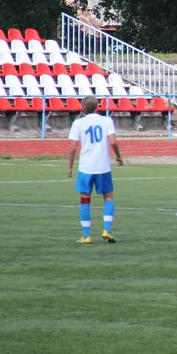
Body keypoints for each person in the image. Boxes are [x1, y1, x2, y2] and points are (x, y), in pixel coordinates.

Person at [68, 96, 123, 244]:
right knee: (108, 197)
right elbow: (113, 142)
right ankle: (107, 230)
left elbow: (73, 146)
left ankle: (87, 236)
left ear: (82, 108)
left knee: (85, 199)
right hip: (103, 166)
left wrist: (70, 166)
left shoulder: (78, 123)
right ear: (97, 107)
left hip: (86, 168)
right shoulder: (107, 121)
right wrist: (118, 156)